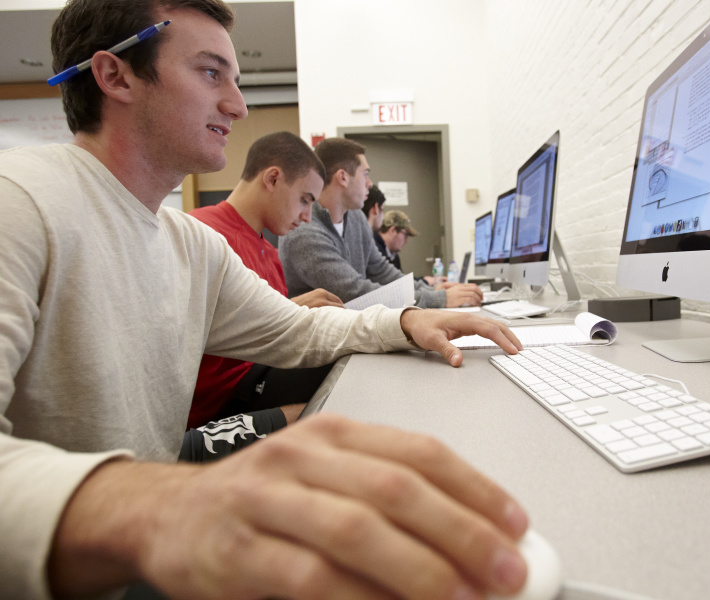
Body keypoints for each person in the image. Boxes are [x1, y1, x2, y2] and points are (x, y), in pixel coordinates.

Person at [0, 1, 530, 599]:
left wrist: (411, 319)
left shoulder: (191, 244)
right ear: (115, 75)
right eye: (210, 73)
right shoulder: (21, 203)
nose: (237, 105)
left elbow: (298, 330)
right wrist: (157, 507)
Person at [182, 131, 341, 458]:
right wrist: (290, 309)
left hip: (255, 375)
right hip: (219, 401)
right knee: (334, 369)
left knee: (343, 352)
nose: (307, 216)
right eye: (305, 199)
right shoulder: (199, 235)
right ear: (272, 178)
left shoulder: (269, 251)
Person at [280, 137, 484, 307]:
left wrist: (429, 290)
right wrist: (437, 299)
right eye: (365, 174)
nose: (370, 184)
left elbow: (381, 272)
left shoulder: (356, 217)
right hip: (322, 347)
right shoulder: (304, 232)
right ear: (342, 177)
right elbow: (355, 293)